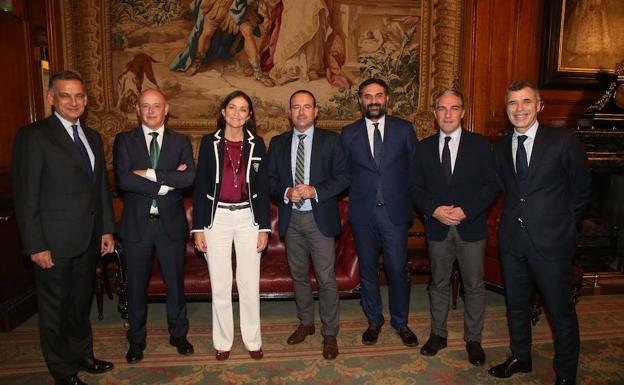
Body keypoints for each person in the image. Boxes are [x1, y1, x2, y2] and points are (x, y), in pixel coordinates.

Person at [12, 70, 115, 385]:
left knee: (79, 304)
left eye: (79, 96)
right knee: (55, 309)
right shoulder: (34, 135)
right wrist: (35, 244)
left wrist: (106, 230)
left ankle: (83, 355)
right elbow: (25, 195)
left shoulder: (92, 137)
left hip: (88, 239)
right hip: (52, 243)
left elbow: (99, 189)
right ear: (51, 98)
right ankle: (62, 371)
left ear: (86, 100)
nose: (74, 102)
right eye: (66, 95)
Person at [489, 81, 591, 385]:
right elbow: (505, 190)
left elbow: (581, 192)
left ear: (539, 105)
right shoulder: (501, 146)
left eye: (525, 102)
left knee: (560, 312)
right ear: (506, 109)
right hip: (512, 241)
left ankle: (565, 375)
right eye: (512, 104)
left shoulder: (563, 141)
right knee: (516, 306)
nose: (519, 109)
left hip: (552, 243)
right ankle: (520, 357)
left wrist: (561, 227)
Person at [413, 89, 498, 365]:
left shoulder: (481, 145)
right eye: (442, 108)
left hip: (470, 227)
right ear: (435, 113)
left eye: (454, 108)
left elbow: (492, 185)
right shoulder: (422, 147)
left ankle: (474, 339)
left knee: (474, 285)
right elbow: (414, 187)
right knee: (438, 283)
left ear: (463, 112)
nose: (447, 114)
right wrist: (434, 210)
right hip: (437, 228)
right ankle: (438, 334)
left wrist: (466, 210)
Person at [113, 89, 196, 364]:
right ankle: (136, 340)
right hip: (137, 227)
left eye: (156, 106)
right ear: (137, 109)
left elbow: (189, 180)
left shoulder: (181, 141)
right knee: (136, 287)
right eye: (145, 106)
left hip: (170, 226)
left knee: (175, 284)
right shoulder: (125, 141)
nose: (150, 111)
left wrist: (148, 174)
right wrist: (168, 181)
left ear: (166, 109)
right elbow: (124, 181)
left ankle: (179, 334)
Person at [266, 90, 350, 359]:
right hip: (291, 218)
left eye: (306, 107)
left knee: (326, 279)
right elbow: (269, 180)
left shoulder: (331, 141)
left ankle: (330, 333)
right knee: (299, 276)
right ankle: (306, 323)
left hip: (319, 219)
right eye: (295, 107)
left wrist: (315, 190)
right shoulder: (277, 143)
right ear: (289, 112)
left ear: (316, 111)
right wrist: (285, 192)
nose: (301, 112)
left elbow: (343, 177)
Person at [340, 77, 419, 347]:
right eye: (368, 96)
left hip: (395, 214)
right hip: (363, 215)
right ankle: (374, 321)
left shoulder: (404, 130)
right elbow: (344, 174)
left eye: (379, 95)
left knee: (397, 269)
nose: (373, 100)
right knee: (368, 271)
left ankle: (401, 322)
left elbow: (415, 172)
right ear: (360, 101)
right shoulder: (349, 134)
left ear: (388, 99)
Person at [192, 90, 270, 361]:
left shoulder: (257, 144)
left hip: (248, 218)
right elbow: (201, 185)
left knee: (249, 283)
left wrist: (263, 228)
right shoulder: (208, 143)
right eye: (232, 108)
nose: (237, 113)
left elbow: (262, 186)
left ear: (249, 116)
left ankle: (252, 340)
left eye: (243, 109)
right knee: (221, 284)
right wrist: (199, 228)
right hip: (218, 220)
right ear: (223, 112)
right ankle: (223, 342)